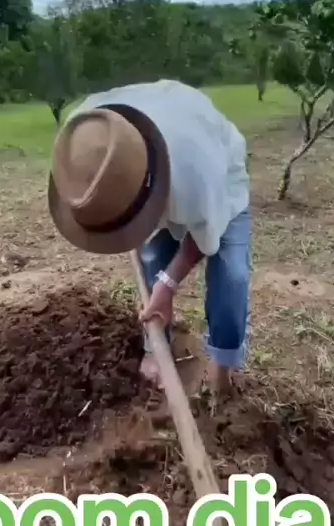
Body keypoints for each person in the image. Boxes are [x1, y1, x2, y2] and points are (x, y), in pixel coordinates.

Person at [47, 79, 251, 396]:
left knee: (231, 274)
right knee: (153, 258)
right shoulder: (85, 143)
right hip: (153, 167)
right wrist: (147, 259)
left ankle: (221, 368)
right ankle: (156, 347)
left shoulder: (198, 172)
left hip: (219, 179)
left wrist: (168, 285)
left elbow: (203, 237)